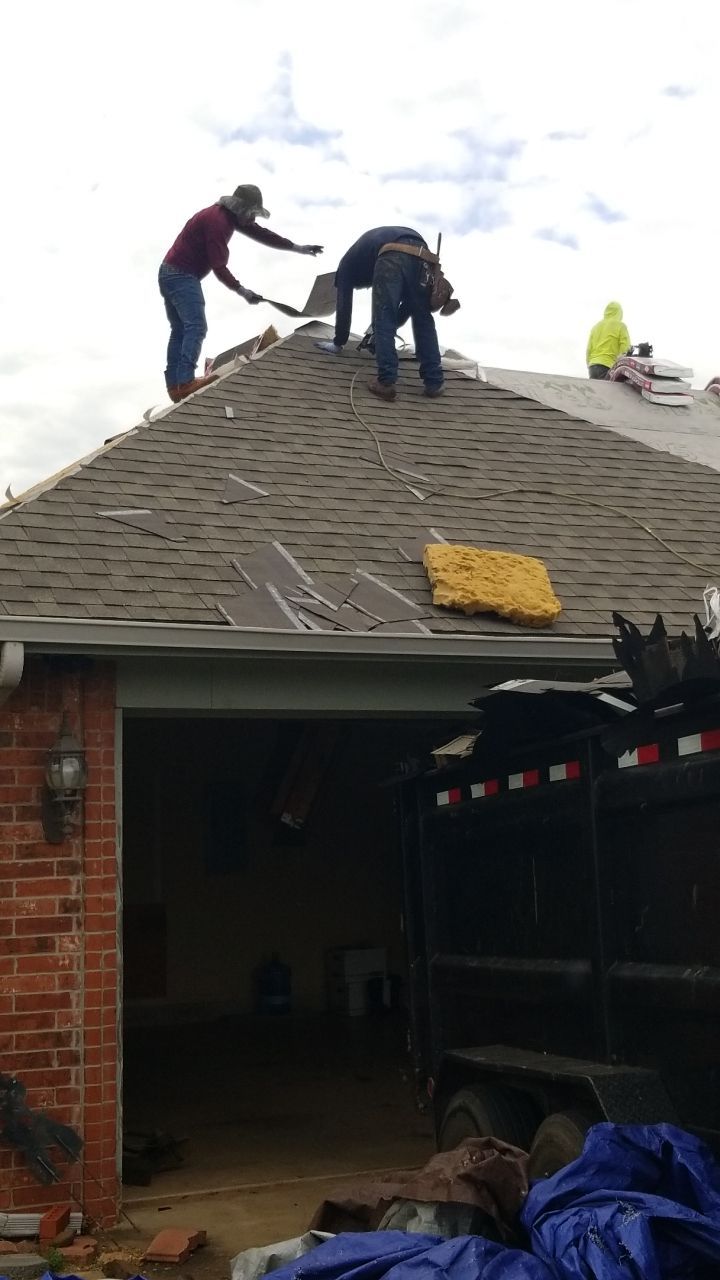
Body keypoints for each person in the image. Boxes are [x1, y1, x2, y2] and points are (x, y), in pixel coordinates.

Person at [159, 184, 323, 402]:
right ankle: (185, 382)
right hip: (180, 274)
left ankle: (176, 385)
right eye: (253, 213)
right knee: (195, 326)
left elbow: (262, 234)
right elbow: (219, 266)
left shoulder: (228, 216)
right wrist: (242, 290)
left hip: (170, 272)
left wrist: (297, 247)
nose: (254, 219)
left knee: (180, 328)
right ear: (243, 208)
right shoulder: (217, 223)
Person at [315, 226, 447, 401]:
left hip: (393, 253)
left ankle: (386, 382)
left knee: (383, 316)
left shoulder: (345, 266)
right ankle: (434, 382)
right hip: (422, 255)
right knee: (423, 318)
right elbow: (408, 306)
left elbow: (344, 302)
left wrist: (338, 342)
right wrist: (377, 330)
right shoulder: (366, 254)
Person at [586, 301, 631, 379]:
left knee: (595, 390)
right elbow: (625, 349)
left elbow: (588, 349)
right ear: (620, 313)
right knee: (608, 391)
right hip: (608, 366)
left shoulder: (595, 327)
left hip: (592, 366)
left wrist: (589, 364)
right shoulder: (621, 326)